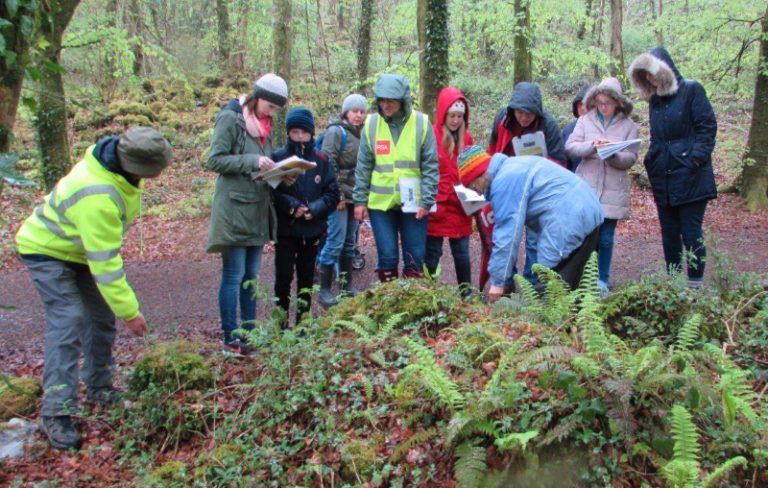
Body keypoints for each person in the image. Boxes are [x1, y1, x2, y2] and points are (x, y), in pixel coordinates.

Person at [15, 127, 172, 450]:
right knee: (68, 319)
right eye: (155, 170)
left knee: (100, 317)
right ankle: (56, 412)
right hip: (47, 250)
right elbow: (106, 265)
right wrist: (131, 313)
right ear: (136, 165)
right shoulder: (97, 193)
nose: (158, 175)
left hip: (79, 249)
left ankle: (100, 387)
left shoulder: (114, 161)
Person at [206, 73, 291, 354]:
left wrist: (281, 176)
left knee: (252, 276)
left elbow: (262, 169)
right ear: (258, 98)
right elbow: (215, 160)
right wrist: (253, 160)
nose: (273, 113)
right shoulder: (231, 118)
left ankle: (250, 332)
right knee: (234, 274)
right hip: (233, 210)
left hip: (256, 208)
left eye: (277, 109)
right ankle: (231, 336)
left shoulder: (264, 125)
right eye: (271, 107)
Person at [456, 146, 603, 302]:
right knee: (578, 289)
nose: (476, 192)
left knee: (551, 289)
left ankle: (556, 326)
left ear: (480, 175)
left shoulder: (503, 182)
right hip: (588, 209)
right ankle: (578, 324)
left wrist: (498, 282)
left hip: (570, 218)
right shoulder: (512, 166)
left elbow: (507, 235)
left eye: (472, 186)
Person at [628, 47, 717, 288]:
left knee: (691, 232)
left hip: (692, 176)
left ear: (664, 69)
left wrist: (694, 160)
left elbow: (707, 127)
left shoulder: (692, 90)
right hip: (663, 177)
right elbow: (658, 138)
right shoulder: (655, 101)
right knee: (669, 234)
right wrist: (652, 161)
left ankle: (695, 285)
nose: (650, 78)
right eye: (644, 75)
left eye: (652, 72)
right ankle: (673, 286)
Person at [353, 73, 439, 281]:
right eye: (381, 100)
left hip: (414, 204)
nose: (385, 105)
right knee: (388, 256)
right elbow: (363, 166)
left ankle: (413, 307)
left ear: (403, 100)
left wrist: (427, 201)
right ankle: (389, 306)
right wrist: (359, 200)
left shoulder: (422, 123)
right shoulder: (372, 124)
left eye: (390, 100)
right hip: (381, 204)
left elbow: (431, 166)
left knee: (415, 258)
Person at [486, 81, 568, 285]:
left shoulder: (547, 125)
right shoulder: (502, 118)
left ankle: (532, 285)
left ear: (537, 113)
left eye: (528, 114)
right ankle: (507, 282)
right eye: (520, 112)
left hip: (536, 190)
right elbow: (493, 150)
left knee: (534, 240)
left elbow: (560, 162)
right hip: (506, 187)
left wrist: (532, 165)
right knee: (504, 233)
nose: (523, 117)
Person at [565, 77, 639, 294]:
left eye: (607, 103)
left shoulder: (629, 126)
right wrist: (592, 146)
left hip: (612, 189)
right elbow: (570, 146)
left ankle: (601, 281)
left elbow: (631, 157)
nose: (602, 107)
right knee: (587, 235)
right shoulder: (585, 121)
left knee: (605, 237)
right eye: (599, 102)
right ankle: (582, 278)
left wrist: (613, 154)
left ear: (617, 103)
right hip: (587, 186)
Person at [272, 107, 339, 324]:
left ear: (311, 133)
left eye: (304, 132)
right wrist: (292, 206)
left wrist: (315, 209)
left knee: (307, 277)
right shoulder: (278, 157)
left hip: (312, 230)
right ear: (288, 133)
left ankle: (303, 322)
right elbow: (272, 191)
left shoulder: (321, 160)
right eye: (295, 132)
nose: (300, 137)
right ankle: (280, 323)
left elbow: (332, 193)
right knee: (283, 277)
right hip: (287, 229)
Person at [316, 94, 368, 307]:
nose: (358, 115)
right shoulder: (335, 132)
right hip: (337, 197)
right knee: (335, 241)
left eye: (362, 111)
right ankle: (325, 289)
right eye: (355, 111)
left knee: (349, 242)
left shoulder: (363, 134)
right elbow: (328, 164)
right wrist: (335, 194)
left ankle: (346, 286)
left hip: (355, 196)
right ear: (346, 112)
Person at [425, 87, 475, 294]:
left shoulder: (468, 138)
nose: (455, 120)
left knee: (462, 253)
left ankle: (466, 293)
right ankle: (428, 293)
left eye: (459, 116)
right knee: (432, 253)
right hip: (438, 203)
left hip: (460, 203)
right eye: (452, 115)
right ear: (443, 113)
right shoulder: (431, 135)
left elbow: (473, 169)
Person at [561, 83, 592, 172]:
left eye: (586, 104)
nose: (583, 107)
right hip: (574, 179)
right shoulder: (568, 130)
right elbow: (563, 159)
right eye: (580, 104)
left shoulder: (602, 128)